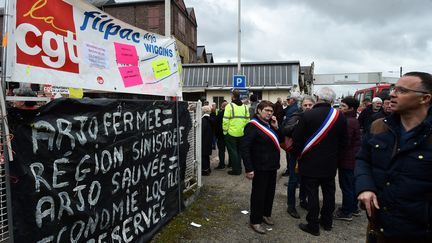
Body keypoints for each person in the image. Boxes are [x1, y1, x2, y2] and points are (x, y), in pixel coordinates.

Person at [356, 72, 432, 242]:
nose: (392, 94)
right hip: (378, 228)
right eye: (393, 89)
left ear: (425, 98)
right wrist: (365, 187)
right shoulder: (378, 127)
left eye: (402, 91)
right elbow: (363, 160)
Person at [291, 87, 347, 236]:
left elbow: (297, 140)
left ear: (317, 98)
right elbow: (344, 142)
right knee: (329, 194)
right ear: (332, 100)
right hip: (330, 164)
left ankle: (313, 225)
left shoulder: (308, 115)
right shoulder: (340, 116)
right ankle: (327, 222)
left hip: (310, 163)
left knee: (312, 195)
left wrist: (296, 155)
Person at [240, 100, 282, 234]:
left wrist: (276, 127)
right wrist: (249, 168)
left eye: (271, 111)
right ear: (259, 111)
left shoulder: (270, 125)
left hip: (272, 166)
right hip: (259, 167)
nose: (269, 113)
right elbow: (245, 148)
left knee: (269, 193)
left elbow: (279, 141)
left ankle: (265, 214)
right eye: (267, 110)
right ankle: (255, 221)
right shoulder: (252, 126)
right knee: (259, 195)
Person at [284, 95, 315, 218]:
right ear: (301, 106)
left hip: (309, 154)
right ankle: (290, 206)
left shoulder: (316, 117)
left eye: (310, 105)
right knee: (293, 180)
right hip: (296, 154)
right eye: (305, 105)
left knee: (305, 179)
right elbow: (285, 130)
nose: (307, 107)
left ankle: (303, 201)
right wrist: (298, 125)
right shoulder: (297, 115)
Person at [334, 96, 361, 221]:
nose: (340, 108)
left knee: (347, 186)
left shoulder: (348, 121)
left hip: (347, 159)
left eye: (343, 106)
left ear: (351, 108)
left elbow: (345, 143)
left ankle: (346, 212)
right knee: (351, 185)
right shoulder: (352, 119)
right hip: (351, 158)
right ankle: (353, 207)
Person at [223, 89, 250, 175]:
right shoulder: (245, 107)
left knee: (233, 152)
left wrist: (225, 132)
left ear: (233, 96)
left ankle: (236, 170)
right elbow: (247, 121)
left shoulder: (229, 106)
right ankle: (239, 168)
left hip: (231, 133)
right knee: (239, 152)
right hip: (242, 133)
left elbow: (225, 120)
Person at [282, 92, 300, 177]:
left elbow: (288, 123)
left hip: (289, 135)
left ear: (293, 100)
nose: (288, 101)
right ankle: (291, 170)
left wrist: (282, 130)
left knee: (290, 155)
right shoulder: (292, 107)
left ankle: (291, 171)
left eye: (289, 99)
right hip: (292, 134)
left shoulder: (293, 109)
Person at [215, 101, 230, 169]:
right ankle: (231, 164)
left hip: (221, 136)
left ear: (222, 106)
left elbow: (217, 126)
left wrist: (217, 136)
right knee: (230, 150)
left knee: (221, 151)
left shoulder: (220, 114)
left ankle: (222, 164)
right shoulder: (231, 114)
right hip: (229, 135)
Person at [201, 105, 214, 176]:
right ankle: (208, 168)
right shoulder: (210, 119)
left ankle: (205, 170)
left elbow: (202, 131)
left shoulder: (203, 120)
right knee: (206, 155)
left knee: (203, 155)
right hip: (209, 139)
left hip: (204, 140)